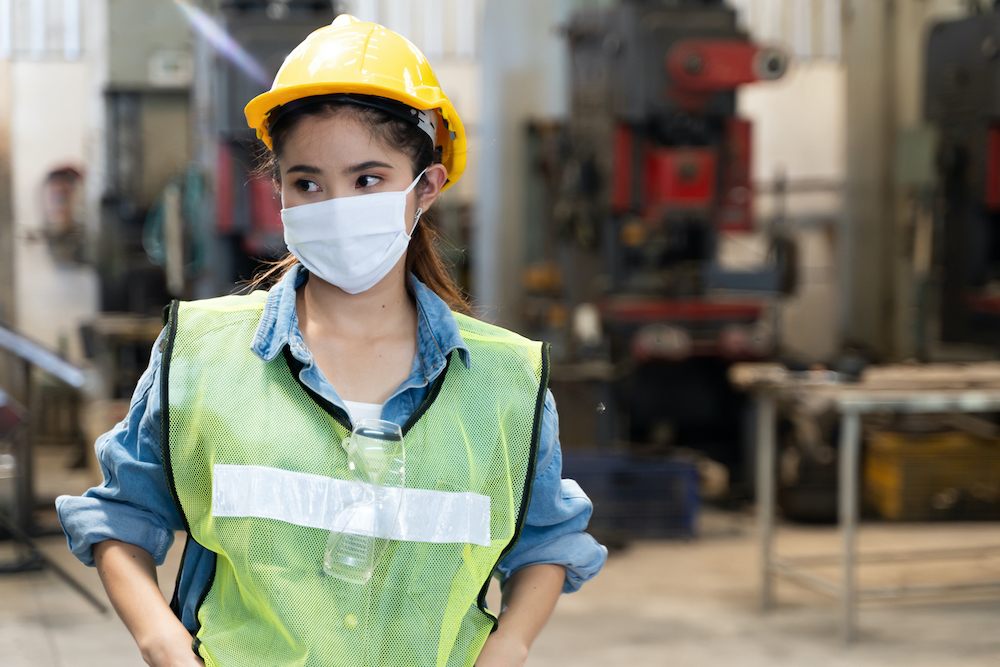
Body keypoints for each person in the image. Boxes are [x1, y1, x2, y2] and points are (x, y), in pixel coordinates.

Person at [56, 14, 606, 667]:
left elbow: (546, 537)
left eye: (368, 179)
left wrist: (507, 646)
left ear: (425, 187)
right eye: (307, 182)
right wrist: (163, 641)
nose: (334, 205)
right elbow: (121, 517)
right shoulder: (200, 355)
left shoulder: (506, 381)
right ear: (279, 192)